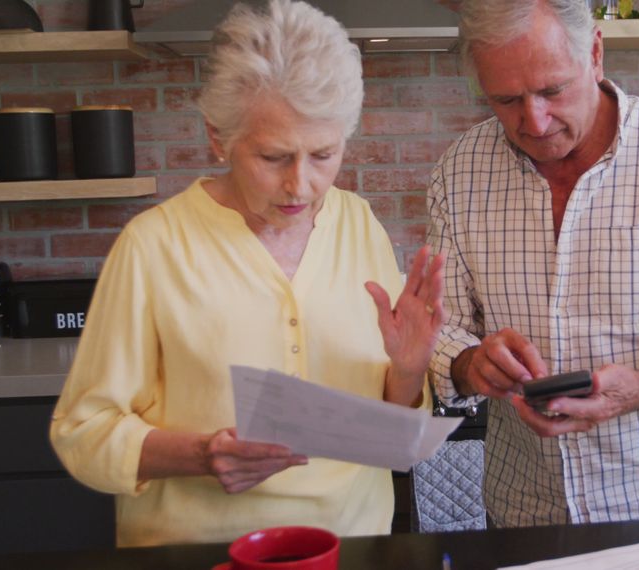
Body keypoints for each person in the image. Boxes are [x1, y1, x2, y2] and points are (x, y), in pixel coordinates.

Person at [50, 0, 445, 547]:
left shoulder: (358, 225)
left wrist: (407, 370)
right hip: (199, 554)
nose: (301, 186)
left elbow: (389, 433)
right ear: (219, 138)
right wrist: (200, 456)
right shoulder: (154, 245)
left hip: (352, 550)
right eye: (274, 157)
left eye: (324, 154)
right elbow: (82, 435)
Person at [427, 0, 639, 527]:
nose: (534, 121)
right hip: (526, 514)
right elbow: (443, 329)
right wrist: (470, 364)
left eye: (552, 90)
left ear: (594, 52)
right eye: (506, 99)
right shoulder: (459, 172)